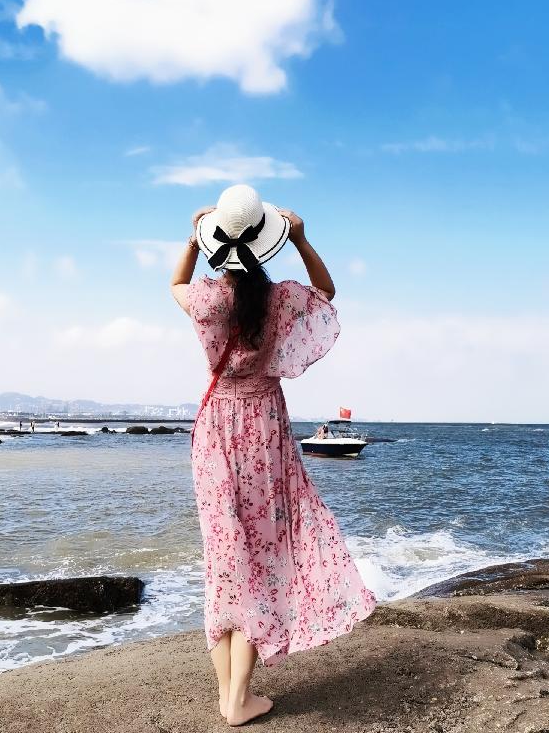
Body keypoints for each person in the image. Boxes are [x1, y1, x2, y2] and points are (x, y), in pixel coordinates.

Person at [171, 184, 374, 727]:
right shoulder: (279, 299)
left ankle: (229, 695)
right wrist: (302, 240)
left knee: (226, 559)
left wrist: (192, 240)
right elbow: (326, 292)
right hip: (262, 429)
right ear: (267, 242)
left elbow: (175, 284)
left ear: (217, 241)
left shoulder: (208, 300)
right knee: (263, 556)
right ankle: (237, 699)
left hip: (216, 432)